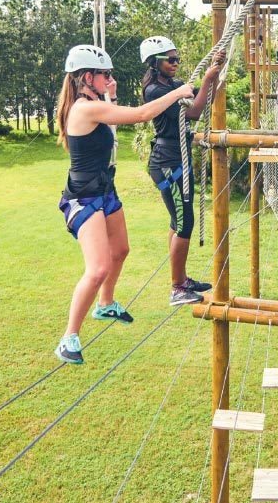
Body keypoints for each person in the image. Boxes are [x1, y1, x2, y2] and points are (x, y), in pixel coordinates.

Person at [54, 44, 194, 365]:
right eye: (105, 75)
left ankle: (106, 304)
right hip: (84, 197)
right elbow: (142, 115)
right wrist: (179, 92)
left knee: (121, 250)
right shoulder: (83, 108)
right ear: (87, 77)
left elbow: (109, 130)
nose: (109, 78)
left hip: (104, 190)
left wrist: (111, 98)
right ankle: (69, 337)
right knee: (99, 266)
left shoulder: (94, 105)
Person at [140, 36, 226, 305]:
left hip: (177, 158)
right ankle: (177, 288)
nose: (176, 63)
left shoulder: (173, 85)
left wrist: (214, 74)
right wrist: (210, 77)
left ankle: (181, 278)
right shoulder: (154, 90)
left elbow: (199, 95)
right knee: (184, 222)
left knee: (176, 221)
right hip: (167, 163)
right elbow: (195, 112)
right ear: (155, 63)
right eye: (171, 60)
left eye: (178, 59)